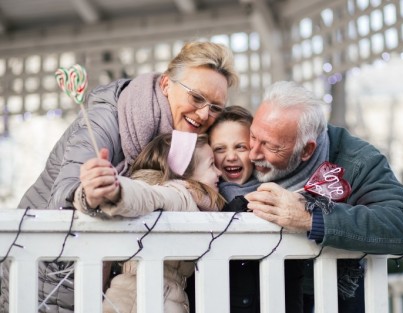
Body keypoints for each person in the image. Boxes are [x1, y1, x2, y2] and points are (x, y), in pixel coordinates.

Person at [1, 41, 238, 313]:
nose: (204, 114)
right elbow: (66, 191)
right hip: (49, 261)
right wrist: (91, 192)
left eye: (216, 107)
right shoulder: (108, 116)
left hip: (107, 273)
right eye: (196, 98)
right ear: (165, 84)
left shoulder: (186, 141)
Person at [219, 81, 403, 313]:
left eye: (270, 146)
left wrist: (311, 218)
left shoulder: (356, 160)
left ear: (307, 150)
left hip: (332, 299)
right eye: (254, 137)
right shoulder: (236, 158)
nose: (254, 153)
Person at [73, 130, 224, 313]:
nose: (219, 172)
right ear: (185, 175)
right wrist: (114, 190)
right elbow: (147, 195)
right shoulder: (179, 194)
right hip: (145, 301)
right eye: (211, 165)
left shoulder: (190, 200)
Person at [208, 105, 254, 186]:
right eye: (220, 149)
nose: (231, 157)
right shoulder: (198, 196)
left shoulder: (279, 191)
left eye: (240, 147)